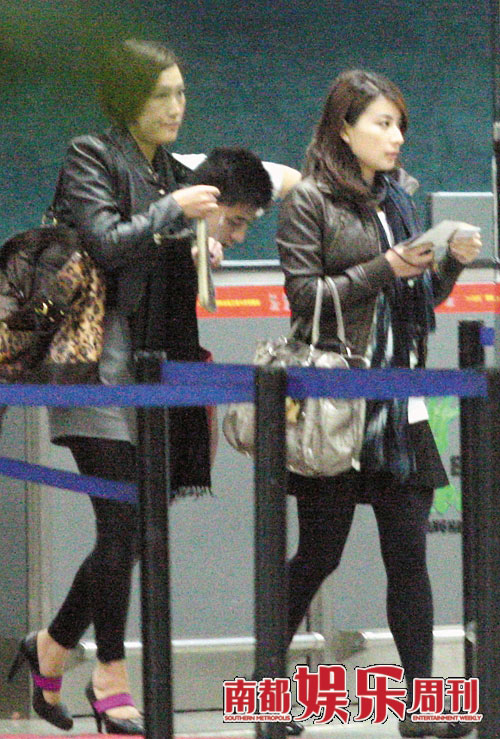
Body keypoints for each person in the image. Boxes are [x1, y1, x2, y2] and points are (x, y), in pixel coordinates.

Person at [8, 39, 300, 735]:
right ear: (127, 98)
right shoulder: (91, 155)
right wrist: (174, 211)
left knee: (136, 527)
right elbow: (105, 242)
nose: (176, 106)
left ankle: (50, 647)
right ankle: (110, 676)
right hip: (92, 363)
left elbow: (277, 181)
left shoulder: (169, 169)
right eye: (162, 94)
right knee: (122, 525)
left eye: (181, 93)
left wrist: (204, 241)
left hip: (151, 364)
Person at [275, 70, 481, 739]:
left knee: (409, 556)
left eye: (400, 126)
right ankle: (268, 692)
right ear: (344, 127)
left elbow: (417, 298)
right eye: (382, 124)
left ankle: (421, 708)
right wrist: (383, 267)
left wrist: (449, 263)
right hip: (339, 397)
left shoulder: (397, 198)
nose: (396, 138)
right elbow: (305, 297)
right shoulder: (309, 199)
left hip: (400, 399)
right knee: (319, 554)